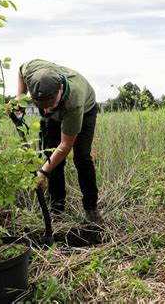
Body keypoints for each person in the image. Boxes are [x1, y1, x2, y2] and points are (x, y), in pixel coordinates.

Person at [16, 59, 100, 223]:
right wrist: (19, 97)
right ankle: (57, 210)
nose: (46, 110)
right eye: (41, 106)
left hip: (85, 110)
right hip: (58, 112)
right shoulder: (32, 70)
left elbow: (65, 146)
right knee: (50, 155)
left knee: (81, 157)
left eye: (50, 104)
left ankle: (91, 209)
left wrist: (43, 172)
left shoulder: (73, 103)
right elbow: (20, 71)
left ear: (60, 88)